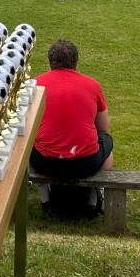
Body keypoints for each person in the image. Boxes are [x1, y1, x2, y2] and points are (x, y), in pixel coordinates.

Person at [31, 39, 113, 202]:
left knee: (26, 142)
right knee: (107, 140)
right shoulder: (92, 84)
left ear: (50, 63)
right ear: (76, 62)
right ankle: (97, 192)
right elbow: (104, 127)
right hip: (85, 163)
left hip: (44, 162)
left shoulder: (35, 83)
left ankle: (44, 195)